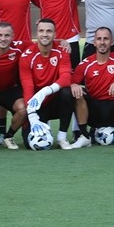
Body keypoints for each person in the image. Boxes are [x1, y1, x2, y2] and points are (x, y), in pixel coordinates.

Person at [70, 27, 114, 148]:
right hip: (94, 112)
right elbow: (71, 83)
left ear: (111, 42)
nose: (102, 42)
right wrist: (74, 85)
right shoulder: (86, 64)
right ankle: (85, 136)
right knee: (77, 93)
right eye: (99, 39)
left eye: (106, 39)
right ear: (94, 42)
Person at [21, 17, 76, 149]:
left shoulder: (62, 50)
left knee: (67, 93)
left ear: (55, 34)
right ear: (37, 33)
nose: (45, 34)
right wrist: (32, 115)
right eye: (41, 31)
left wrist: (46, 90)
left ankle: (62, 137)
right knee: (29, 144)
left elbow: (66, 78)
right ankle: (41, 125)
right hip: (38, 104)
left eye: (49, 31)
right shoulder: (26, 56)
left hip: (56, 102)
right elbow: (28, 87)